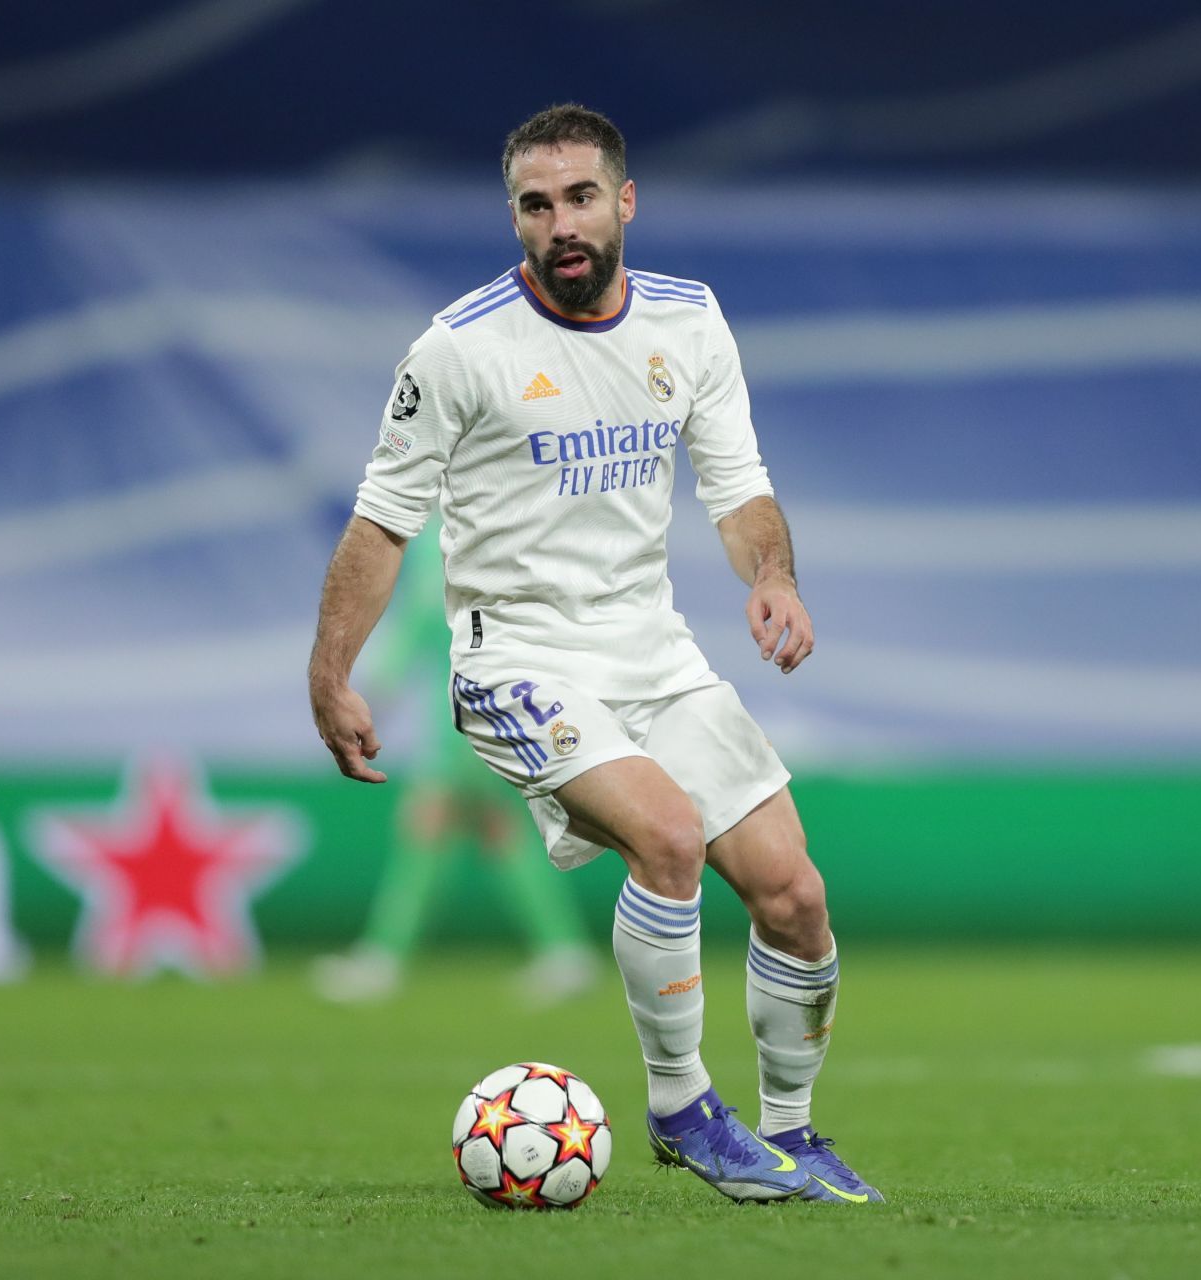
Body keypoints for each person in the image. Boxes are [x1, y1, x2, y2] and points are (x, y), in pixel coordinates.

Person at [307, 104, 879, 1205]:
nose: (560, 222)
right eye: (536, 204)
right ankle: (680, 1105)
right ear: (515, 219)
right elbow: (380, 524)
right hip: (515, 657)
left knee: (795, 895)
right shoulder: (458, 347)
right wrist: (331, 671)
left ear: (624, 201)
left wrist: (771, 578)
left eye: (579, 197)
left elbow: (739, 485)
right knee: (666, 831)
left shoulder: (689, 322)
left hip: (653, 653)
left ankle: (795, 1136)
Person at [312, 518, 600, 1005]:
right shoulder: (452, 525)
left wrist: (382, 682)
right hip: (467, 704)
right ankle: (564, 951)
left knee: (432, 821)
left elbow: (429, 615)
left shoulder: (458, 524)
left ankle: (384, 957)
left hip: (473, 705)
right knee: (493, 828)